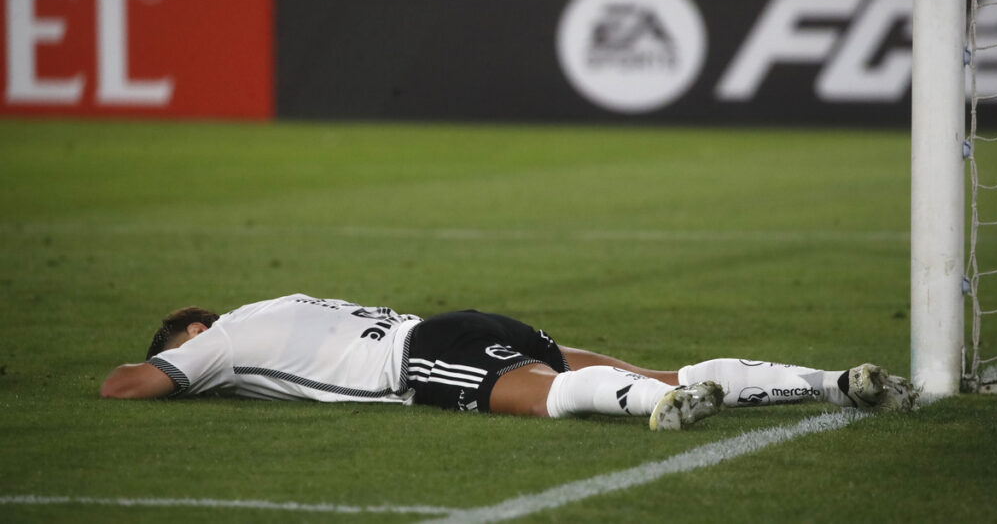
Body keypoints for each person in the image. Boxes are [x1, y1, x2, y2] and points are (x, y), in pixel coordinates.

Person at [101, 294, 918, 431]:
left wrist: (169, 366)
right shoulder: (276, 306)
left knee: (546, 399)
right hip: (460, 320)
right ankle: (832, 382)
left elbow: (127, 385)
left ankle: (652, 410)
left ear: (190, 328)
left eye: (177, 343)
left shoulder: (217, 338)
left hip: (425, 357)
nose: (186, 360)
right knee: (664, 367)